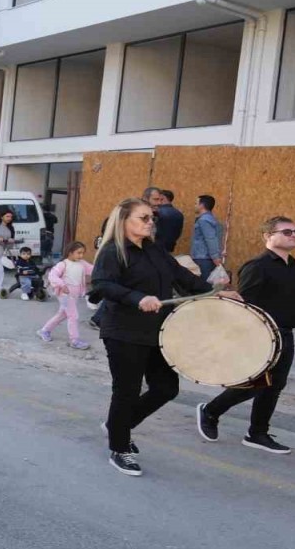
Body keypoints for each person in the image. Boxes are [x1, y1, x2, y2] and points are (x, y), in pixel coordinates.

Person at [92, 197, 240, 477]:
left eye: (152, 218)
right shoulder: (113, 251)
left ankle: (118, 425)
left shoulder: (154, 250)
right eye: (144, 218)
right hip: (123, 331)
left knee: (166, 388)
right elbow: (101, 286)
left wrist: (215, 293)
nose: (150, 223)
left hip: (157, 331)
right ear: (124, 221)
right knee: (126, 391)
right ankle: (119, 447)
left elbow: (181, 276)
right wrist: (137, 298)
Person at [196, 216, 295, 455]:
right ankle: (210, 411)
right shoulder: (257, 266)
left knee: (275, 385)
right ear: (268, 236)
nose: (294, 235)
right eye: (286, 232)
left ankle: (257, 433)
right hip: (260, 335)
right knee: (256, 383)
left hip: (285, 334)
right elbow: (244, 306)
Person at [39, 241, 93, 350]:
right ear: (70, 252)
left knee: (63, 314)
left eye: (83, 253)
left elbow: (94, 269)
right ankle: (74, 340)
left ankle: (44, 330)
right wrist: (62, 284)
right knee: (73, 316)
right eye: (78, 253)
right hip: (65, 295)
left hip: (75, 295)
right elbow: (52, 275)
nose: (81, 255)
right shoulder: (63, 264)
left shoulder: (82, 263)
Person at [190, 194, 224, 283]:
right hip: (206, 258)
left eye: (196, 203)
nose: (194, 206)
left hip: (203, 258)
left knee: (203, 285)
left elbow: (210, 239)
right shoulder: (212, 219)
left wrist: (215, 257)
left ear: (201, 205)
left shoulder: (204, 220)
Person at [146, 187, 184, 253]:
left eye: (159, 199)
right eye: (156, 199)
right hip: (169, 249)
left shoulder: (156, 213)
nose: (159, 202)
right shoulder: (179, 214)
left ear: (163, 198)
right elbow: (178, 233)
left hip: (153, 249)